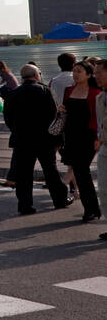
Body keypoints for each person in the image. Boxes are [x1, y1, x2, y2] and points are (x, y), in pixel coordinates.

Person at [2, 64, 71, 215]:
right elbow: (55, 117)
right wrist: (58, 140)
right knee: (51, 171)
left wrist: (17, 130)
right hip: (44, 140)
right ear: (36, 75)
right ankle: (60, 200)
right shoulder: (45, 91)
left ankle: (25, 206)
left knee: (24, 174)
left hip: (21, 141)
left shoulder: (13, 94)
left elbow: (8, 118)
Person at [61, 61, 102, 223]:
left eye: (79, 71)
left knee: (82, 171)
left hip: (88, 137)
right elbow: (67, 112)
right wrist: (61, 109)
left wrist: (98, 138)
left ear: (89, 74)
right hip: (71, 136)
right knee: (79, 172)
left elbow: (97, 117)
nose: (75, 74)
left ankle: (91, 209)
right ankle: (92, 209)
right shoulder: (68, 90)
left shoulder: (95, 93)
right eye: (74, 71)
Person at [49, 52, 79, 202]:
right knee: (75, 158)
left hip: (59, 122)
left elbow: (52, 101)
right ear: (74, 64)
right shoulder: (76, 79)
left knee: (68, 157)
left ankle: (73, 188)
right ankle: (69, 186)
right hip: (74, 122)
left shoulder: (53, 81)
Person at [92, 61, 107, 242]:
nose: (96, 76)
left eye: (99, 73)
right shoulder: (99, 97)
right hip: (105, 148)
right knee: (104, 188)